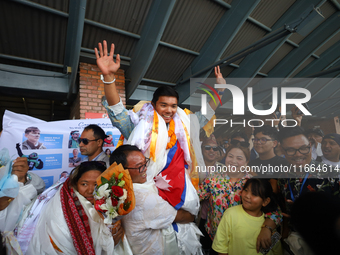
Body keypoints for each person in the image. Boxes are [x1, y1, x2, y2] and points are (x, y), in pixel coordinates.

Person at [95, 40, 224, 220]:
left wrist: (221, 90)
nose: (169, 110)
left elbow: (203, 117)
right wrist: (108, 77)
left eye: (173, 106)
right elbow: (117, 111)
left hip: (177, 190)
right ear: (154, 105)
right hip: (145, 193)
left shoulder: (184, 124)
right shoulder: (139, 125)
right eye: (163, 105)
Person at [110, 145, 200, 255]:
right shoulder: (143, 198)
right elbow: (186, 217)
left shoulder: (115, 191)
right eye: (139, 166)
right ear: (122, 171)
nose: (145, 169)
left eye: (145, 163)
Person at [27, 161, 129, 255]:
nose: (90, 190)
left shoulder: (110, 202)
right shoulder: (60, 208)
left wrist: (110, 243)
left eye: (96, 184)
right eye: (84, 184)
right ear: (75, 184)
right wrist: (109, 243)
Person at [198, 145, 281, 254]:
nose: (233, 161)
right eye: (230, 156)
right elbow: (196, 197)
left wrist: (267, 229)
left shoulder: (253, 183)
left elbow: (276, 211)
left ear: (247, 162)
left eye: (239, 158)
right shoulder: (213, 179)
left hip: (243, 239)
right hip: (216, 237)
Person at [277, 126, 340, 253]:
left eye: (303, 148)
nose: (298, 154)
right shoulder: (282, 177)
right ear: (283, 151)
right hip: (292, 244)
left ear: (310, 146)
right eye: (290, 150)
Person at [212, 179, 282, 255]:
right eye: (245, 190)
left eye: (254, 194)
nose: (247, 196)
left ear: (265, 202)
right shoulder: (230, 214)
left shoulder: (269, 224)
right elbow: (221, 248)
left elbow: (277, 251)